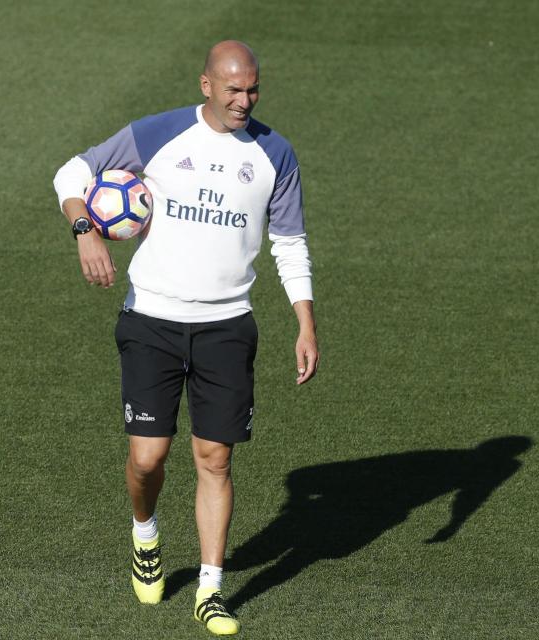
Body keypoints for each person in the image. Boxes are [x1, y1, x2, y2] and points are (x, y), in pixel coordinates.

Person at [52, 40, 319, 636]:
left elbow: (290, 241)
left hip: (227, 326)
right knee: (148, 458)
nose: (244, 100)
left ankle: (210, 587)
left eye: (252, 89)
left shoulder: (276, 153)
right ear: (206, 86)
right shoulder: (160, 134)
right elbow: (71, 170)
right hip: (151, 319)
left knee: (214, 458)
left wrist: (305, 319)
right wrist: (84, 229)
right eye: (232, 90)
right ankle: (145, 535)